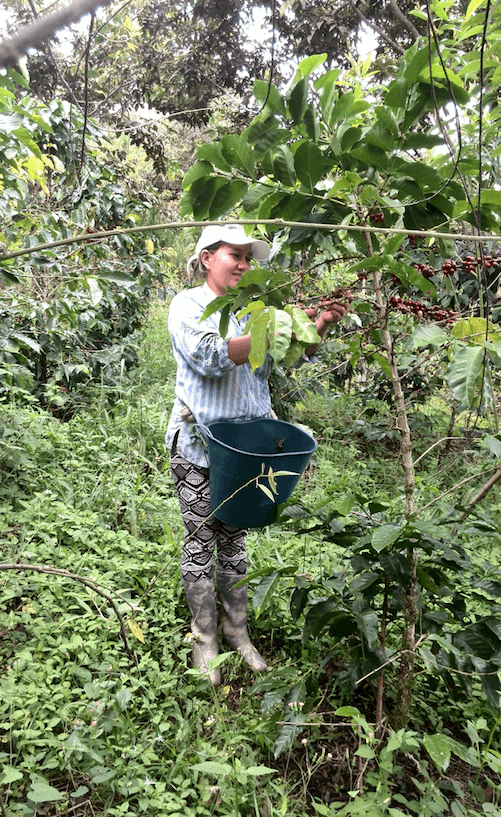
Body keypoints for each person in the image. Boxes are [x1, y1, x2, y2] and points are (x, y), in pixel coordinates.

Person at [165, 223, 346, 686]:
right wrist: (275, 327)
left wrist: (315, 327)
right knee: (202, 537)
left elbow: (281, 359)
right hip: (200, 446)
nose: (245, 265)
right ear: (208, 257)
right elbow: (209, 355)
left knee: (235, 540)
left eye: (249, 259)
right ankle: (205, 640)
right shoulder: (189, 305)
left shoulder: (257, 312)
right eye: (235, 255)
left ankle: (238, 633)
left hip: (248, 450)